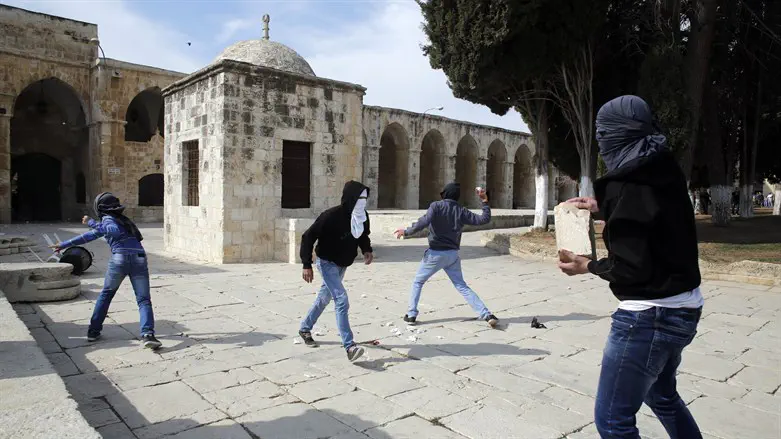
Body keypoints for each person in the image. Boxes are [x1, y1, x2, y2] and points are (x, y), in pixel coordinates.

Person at [558, 95, 703, 439]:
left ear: (617, 135)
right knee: (662, 396)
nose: (601, 142)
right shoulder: (662, 167)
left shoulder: (630, 186)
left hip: (649, 317)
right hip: (686, 306)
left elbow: (630, 267)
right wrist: (602, 205)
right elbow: (651, 214)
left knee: (613, 422)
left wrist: (587, 265)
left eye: (604, 133)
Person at [51, 192, 161, 350]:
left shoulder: (108, 220)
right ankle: (148, 334)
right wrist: (64, 244)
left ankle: (93, 331)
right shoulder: (120, 220)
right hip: (139, 259)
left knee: (106, 294)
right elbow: (89, 236)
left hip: (120, 259)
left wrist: (90, 222)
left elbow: (112, 230)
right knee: (143, 300)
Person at [394, 182, 499, 327]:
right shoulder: (461, 210)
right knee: (462, 286)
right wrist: (484, 201)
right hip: (452, 255)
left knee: (418, 282)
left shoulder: (436, 206)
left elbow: (423, 222)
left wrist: (406, 232)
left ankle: (411, 314)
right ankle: (487, 314)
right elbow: (484, 219)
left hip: (435, 254)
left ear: (445, 194)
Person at [298, 181, 373, 362]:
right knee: (341, 299)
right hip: (326, 262)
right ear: (350, 198)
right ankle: (350, 346)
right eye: (359, 198)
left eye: (365, 199)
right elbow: (308, 237)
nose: (363, 202)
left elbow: (363, 234)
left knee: (324, 298)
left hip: (343, 263)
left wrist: (366, 249)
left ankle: (305, 328)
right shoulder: (330, 216)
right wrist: (306, 264)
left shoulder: (362, 216)